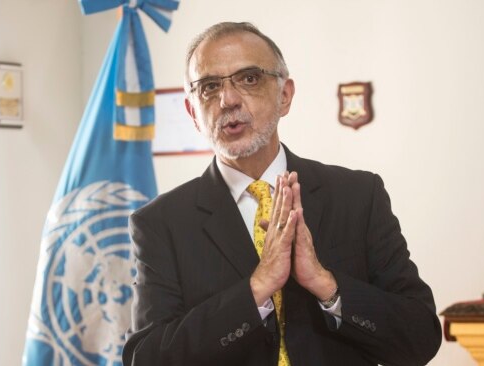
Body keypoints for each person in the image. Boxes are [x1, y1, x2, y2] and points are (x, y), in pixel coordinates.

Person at [122, 22, 442, 366]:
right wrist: (256, 289)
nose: (228, 100)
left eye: (249, 78)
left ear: (285, 96)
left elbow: (420, 337)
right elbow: (147, 359)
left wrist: (325, 284)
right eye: (209, 86)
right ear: (193, 114)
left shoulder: (358, 197)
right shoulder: (161, 223)